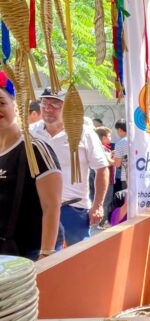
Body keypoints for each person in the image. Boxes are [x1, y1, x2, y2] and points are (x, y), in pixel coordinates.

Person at [31, 88, 109, 246]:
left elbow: (101, 168)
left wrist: (98, 205)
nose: (48, 109)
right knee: (39, 255)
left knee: (75, 257)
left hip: (73, 209)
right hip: (37, 208)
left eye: (55, 105)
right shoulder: (31, 132)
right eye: (44, 103)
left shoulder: (83, 133)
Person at [0, 72, 63, 260]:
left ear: (15, 107)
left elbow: (52, 207)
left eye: (2, 103)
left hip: (30, 252)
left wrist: (46, 254)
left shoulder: (35, 150)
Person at [94, 126, 116, 226]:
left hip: (108, 179)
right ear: (103, 138)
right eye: (109, 136)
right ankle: (101, 223)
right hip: (106, 180)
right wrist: (115, 160)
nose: (111, 138)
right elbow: (107, 163)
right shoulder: (102, 149)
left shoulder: (103, 148)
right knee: (105, 201)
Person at [113, 119, 128, 193]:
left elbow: (117, 164)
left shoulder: (120, 143)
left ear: (119, 129)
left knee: (128, 198)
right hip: (140, 175)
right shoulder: (136, 140)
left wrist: (107, 158)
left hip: (126, 177)